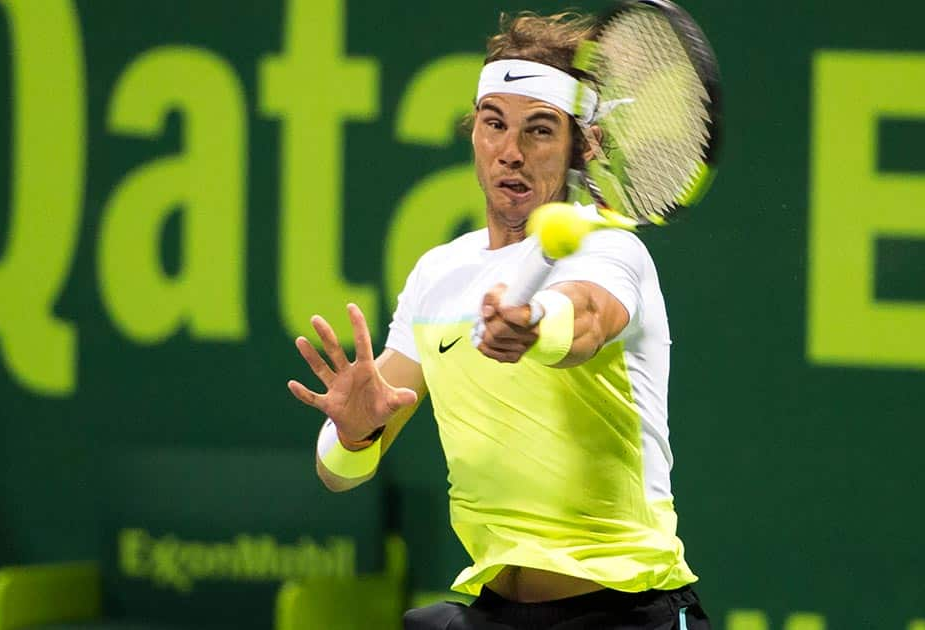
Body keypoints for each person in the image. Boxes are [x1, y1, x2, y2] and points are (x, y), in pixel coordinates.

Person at [287, 11, 710, 630]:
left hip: (624, 612)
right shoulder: (438, 274)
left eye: (539, 131)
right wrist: (355, 434)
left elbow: (585, 317)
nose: (510, 152)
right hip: (495, 610)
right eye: (494, 125)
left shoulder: (608, 247)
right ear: (475, 134)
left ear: (582, 146)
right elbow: (338, 474)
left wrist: (537, 327)